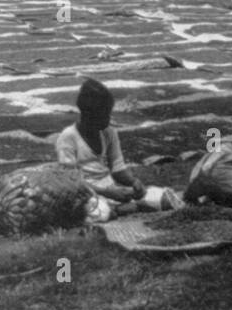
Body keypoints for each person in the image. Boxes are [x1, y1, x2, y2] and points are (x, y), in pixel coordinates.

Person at [56, 78, 181, 222]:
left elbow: (118, 169)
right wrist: (107, 193)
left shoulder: (109, 133)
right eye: (104, 114)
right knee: (98, 211)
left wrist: (133, 182)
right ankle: (120, 208)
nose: (108, 119)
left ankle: (121, 208)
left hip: (111, 189)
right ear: (88, 114)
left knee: (164, 198)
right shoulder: (68, 137)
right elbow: (71, 183)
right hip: (87, 193)